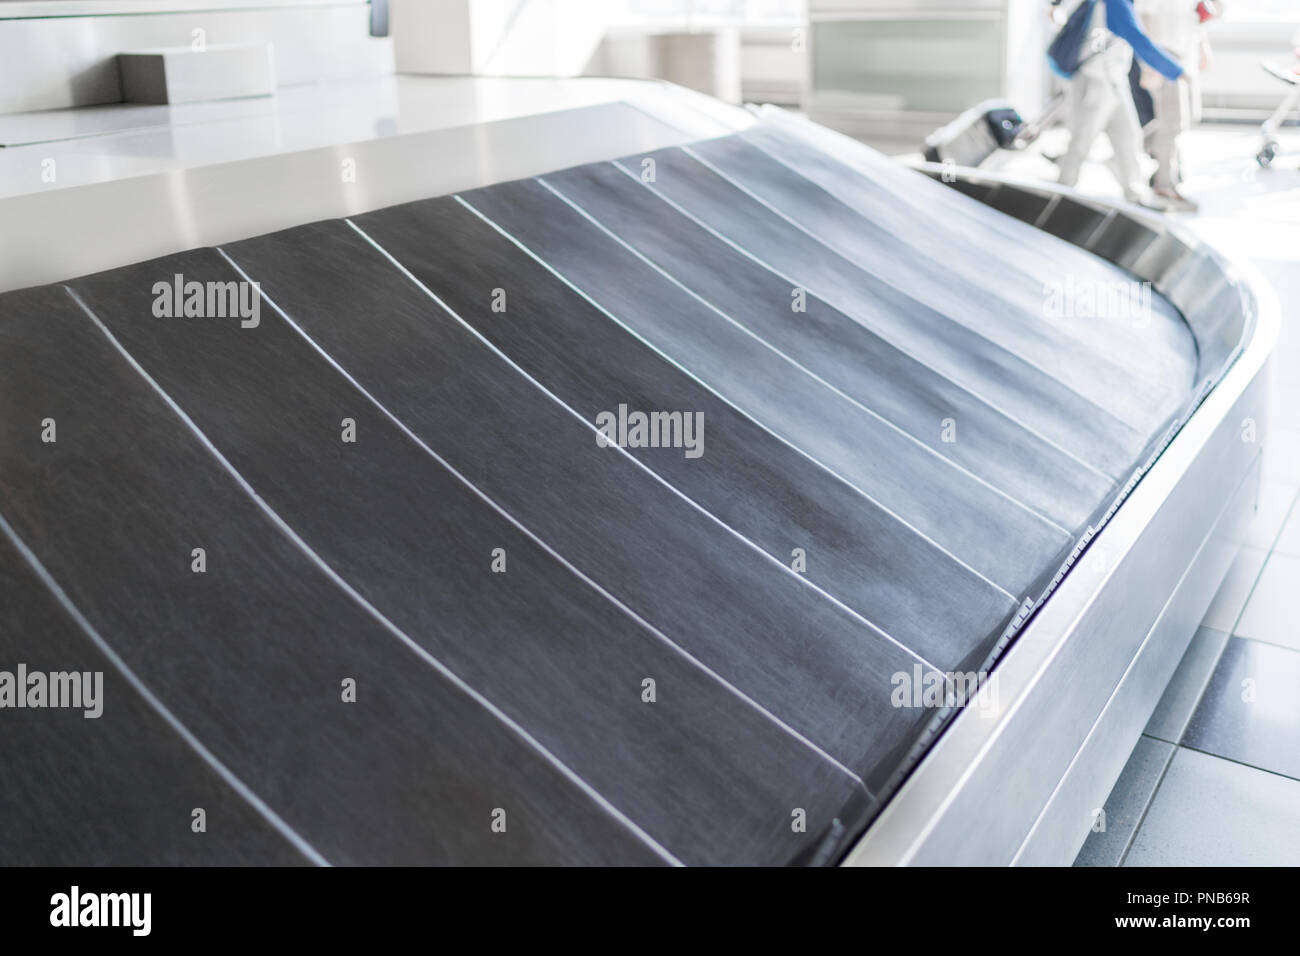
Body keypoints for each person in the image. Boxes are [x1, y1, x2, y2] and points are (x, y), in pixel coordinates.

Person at [1055, 0, 1185, 205]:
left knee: (1128, 138)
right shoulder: (1116, 2)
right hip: (1097, 81)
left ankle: (1135, 193)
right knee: (1082, 141)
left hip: (1114, 81)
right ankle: (1060, 192)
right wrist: (1175, 70)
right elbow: (1138, 38)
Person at [1137, 0, 1220, 211]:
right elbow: (1144, 16)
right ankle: (1164, 185)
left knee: (1187, 118)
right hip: (1164, 54)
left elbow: (1200, 14)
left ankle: (1132, 147)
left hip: (1185, 55)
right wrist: (1149, 63)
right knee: (1172, 122)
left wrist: (1203, 45)